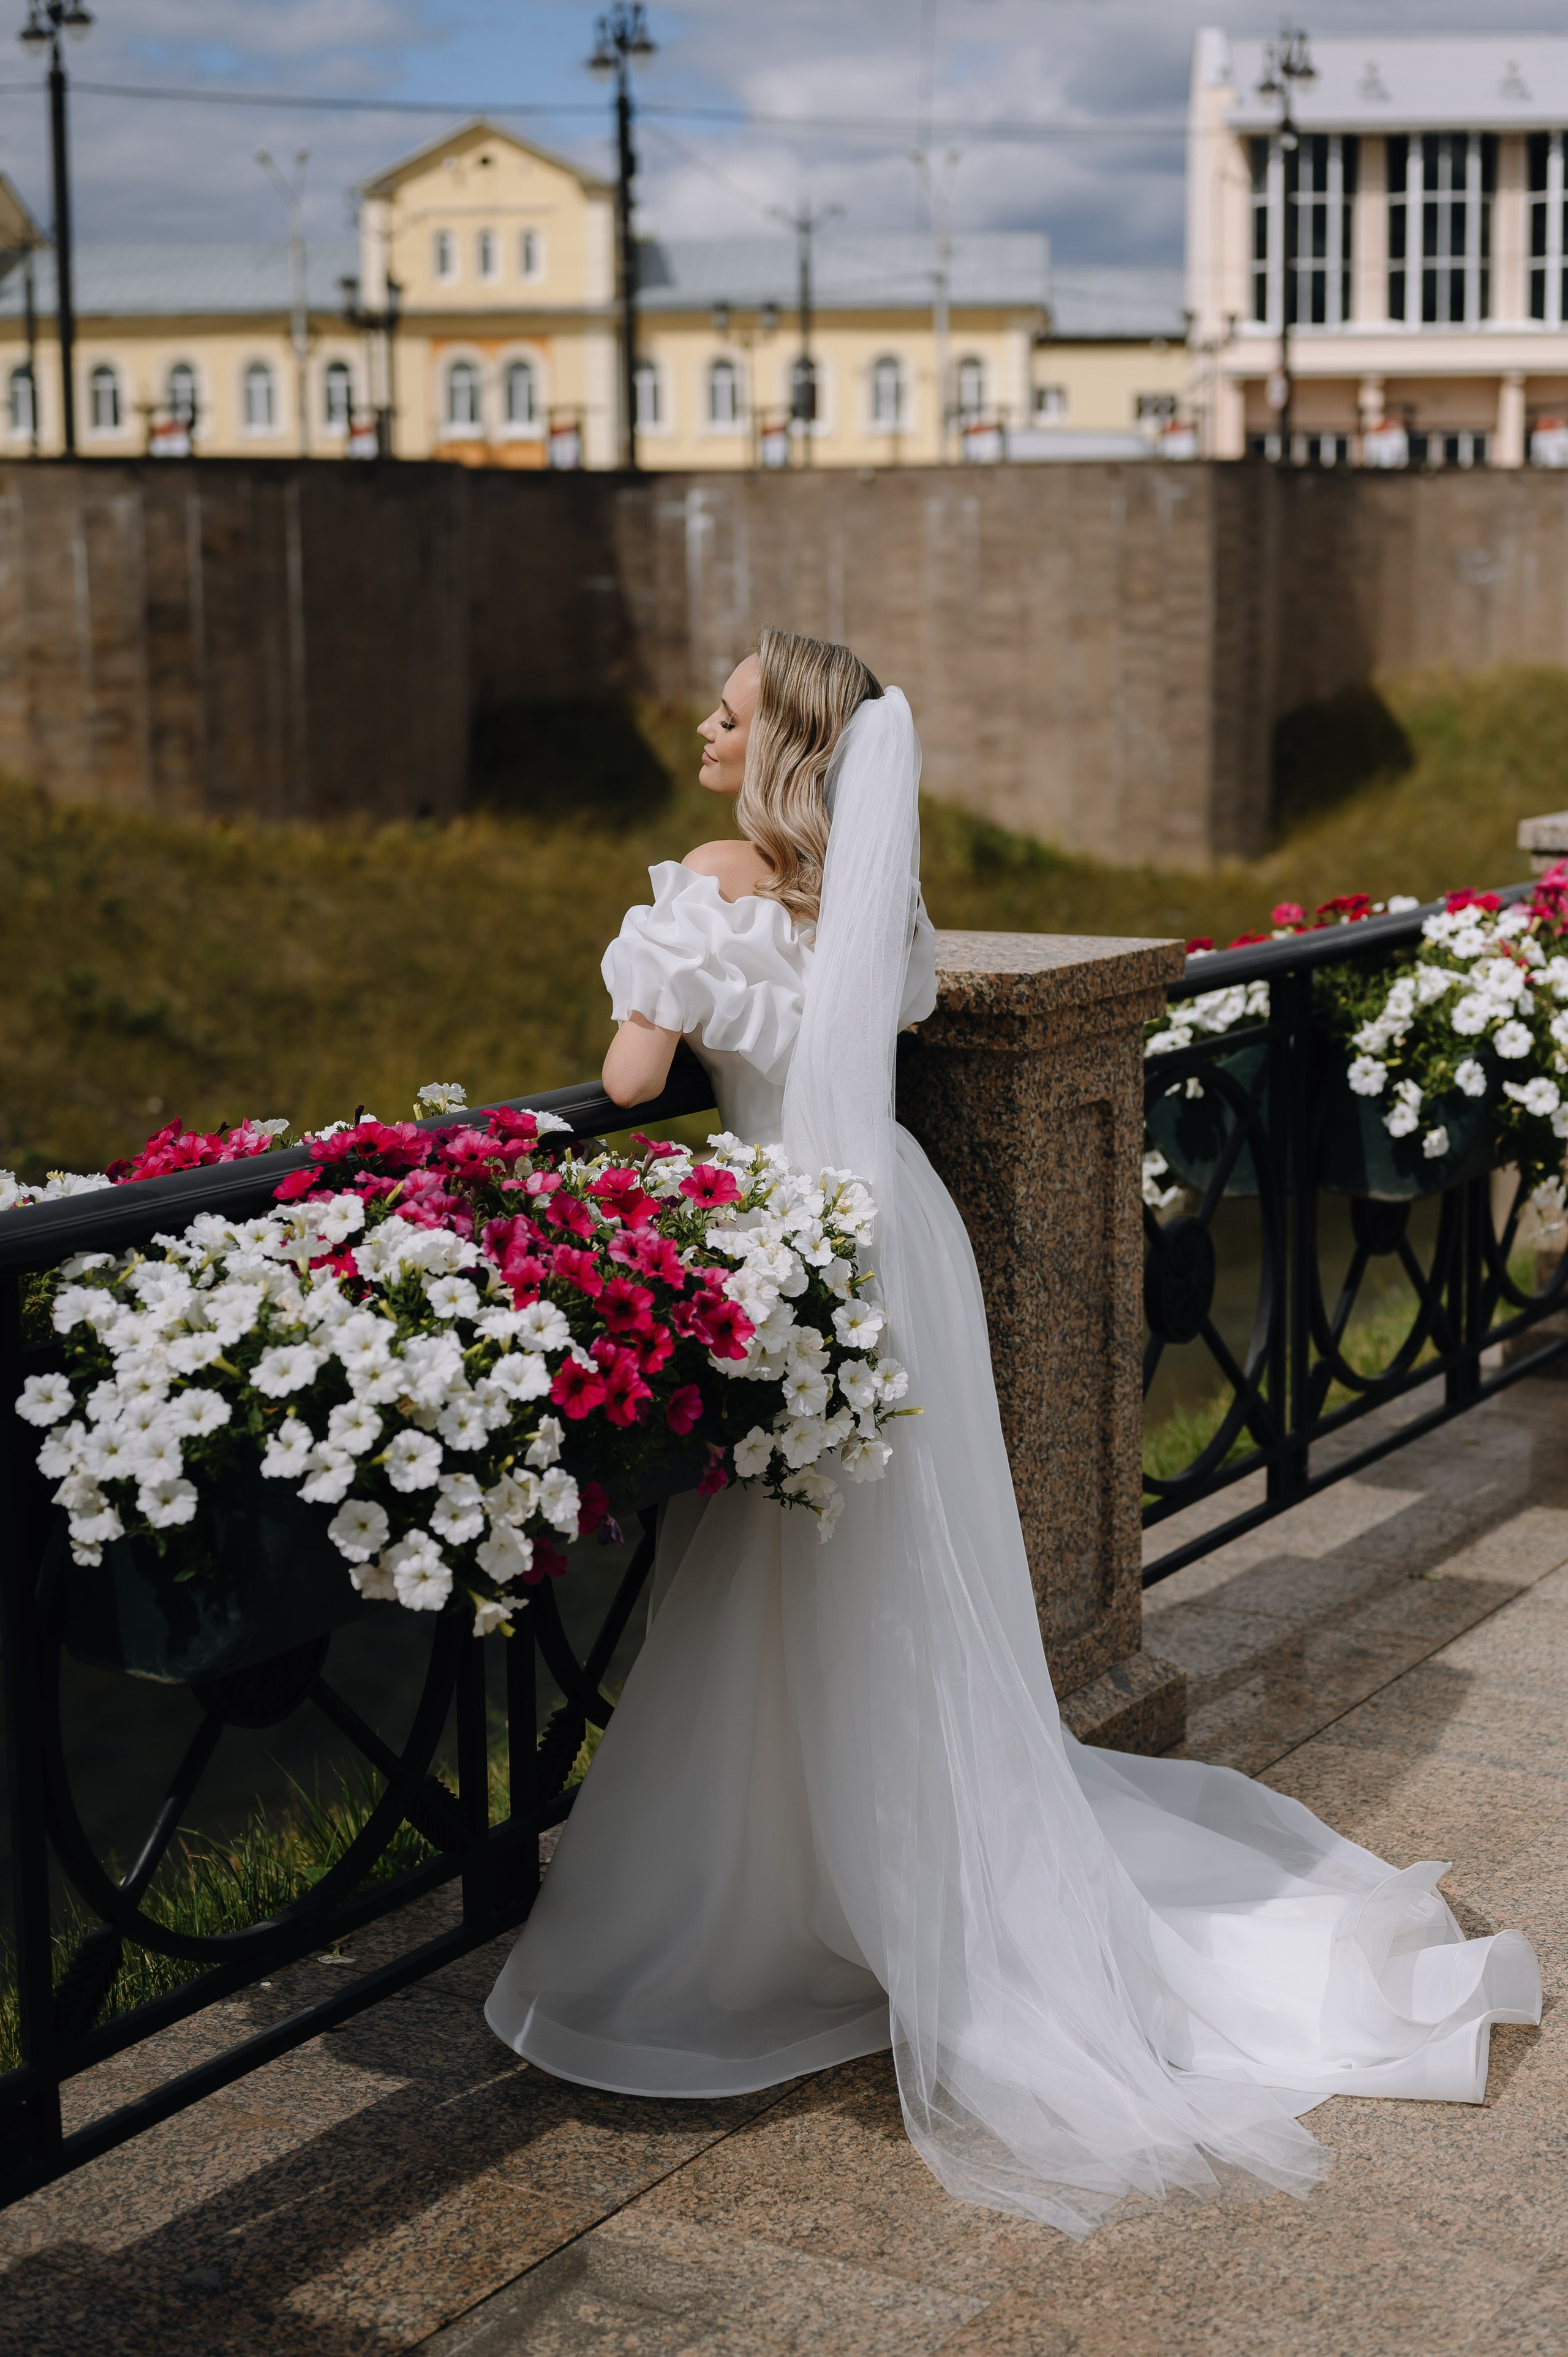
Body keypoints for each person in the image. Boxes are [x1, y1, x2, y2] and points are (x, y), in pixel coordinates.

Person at [487, 629, 1541, 2237]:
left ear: (791, 749)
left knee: (800, 1577)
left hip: (788, 1251)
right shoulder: (874, 898)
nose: (703, 726)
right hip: (901, 1236)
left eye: (732, 710)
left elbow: (635, 1075)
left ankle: (800, 1895)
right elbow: (888, 1008)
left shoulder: (711, 875)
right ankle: (879, 1866)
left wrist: (645, 972)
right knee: (901, 1579)